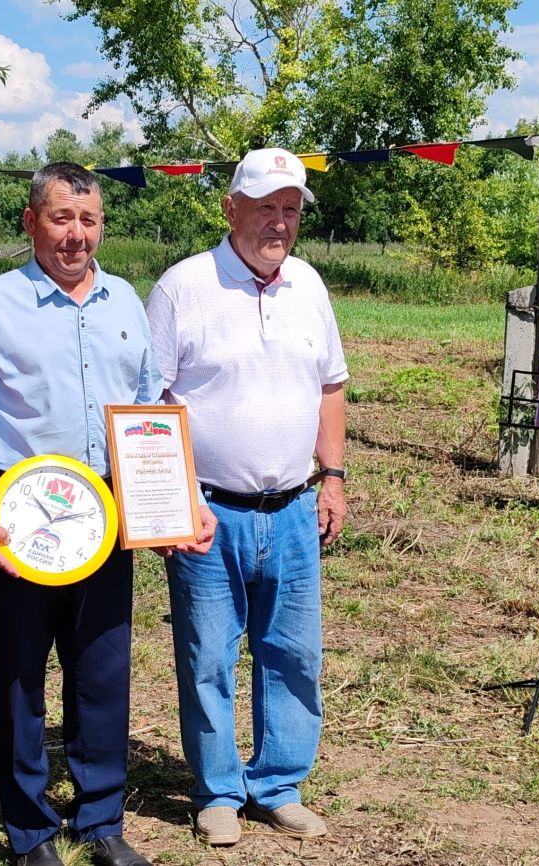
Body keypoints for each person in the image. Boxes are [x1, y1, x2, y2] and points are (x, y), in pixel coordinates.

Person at [0, 162, 214, 866]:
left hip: (107, 510)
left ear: (102, 225)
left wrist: (183, 501)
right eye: (61, 218)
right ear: (31, 221)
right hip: (21, 515)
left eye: (88, 220)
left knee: (102, 670)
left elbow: (154, 410)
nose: (76, 234)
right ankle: (31, 830)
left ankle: (100, 822)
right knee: (22, 672)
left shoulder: (127, 301)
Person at [144, 147, 349, 846]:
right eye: (266, 207)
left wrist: (335, 475)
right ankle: (218, 792)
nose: (279, 222)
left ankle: (278, 784)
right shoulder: (183, 288)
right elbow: (150, 403)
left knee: (292, 654)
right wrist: (174, 502)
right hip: (208, 510)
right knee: (207, 657)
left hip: (292, 507)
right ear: (231, 208)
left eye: (290, 210)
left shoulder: (310, 287)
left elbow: (331, 384)